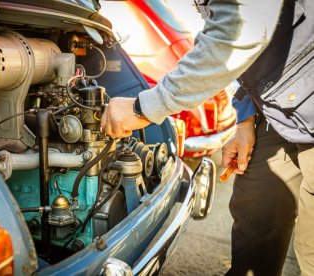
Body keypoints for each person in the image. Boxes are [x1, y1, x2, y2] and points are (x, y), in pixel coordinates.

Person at [101, 0, 314, 275]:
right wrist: (246, 119)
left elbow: (237, 32)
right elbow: (252, 49)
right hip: (280, 108)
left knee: (310, 248)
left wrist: (142, 108)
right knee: (256, 212)